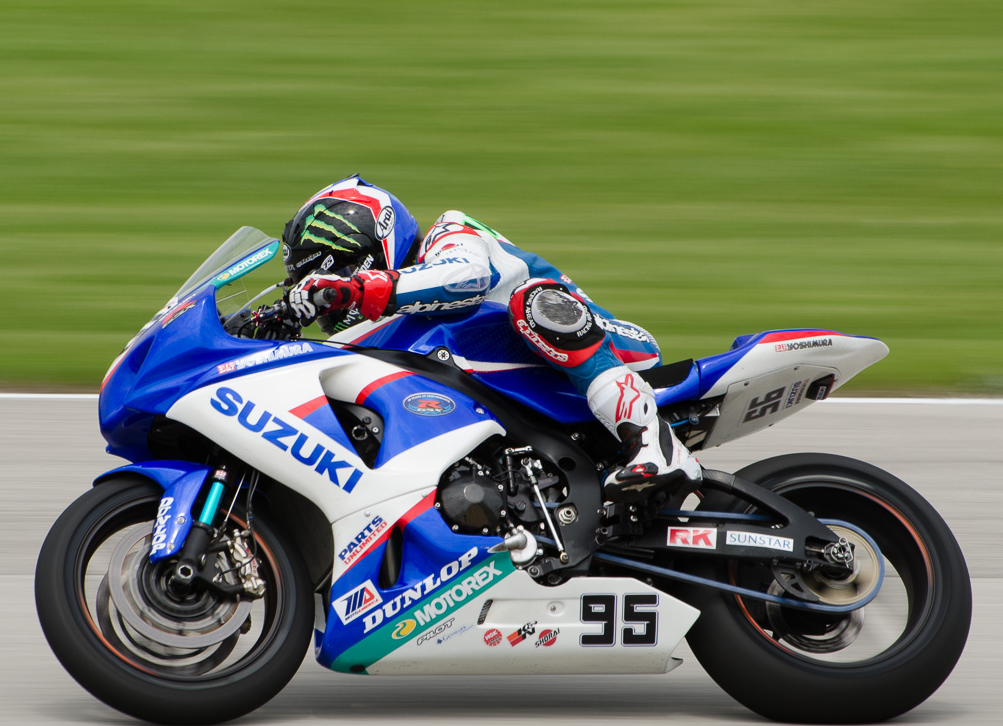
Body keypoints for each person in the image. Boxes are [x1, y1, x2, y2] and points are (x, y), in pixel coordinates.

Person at [277, 174, 702, 501]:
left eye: (333, 274)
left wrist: (359, 289)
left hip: (612, 348)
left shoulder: (449, 233)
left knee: (532, 302)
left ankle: (655, 442)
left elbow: (467, 277)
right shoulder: (391, 327)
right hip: (535, 390)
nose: (328, 298)